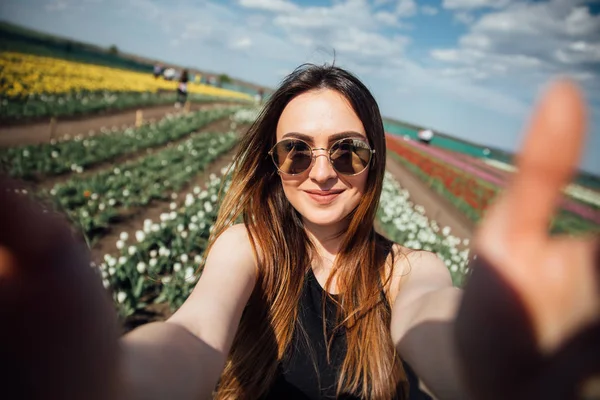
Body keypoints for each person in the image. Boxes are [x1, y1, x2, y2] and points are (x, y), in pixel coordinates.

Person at [0, 64, 598, 400]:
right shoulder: (249, 249)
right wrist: (115, 380)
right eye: (296, 151)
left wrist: (474, 368)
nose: (320, 172)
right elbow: (194, 336)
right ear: (272, 162)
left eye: (347, 152)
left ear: (375, 160)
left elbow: (429, 319)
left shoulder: (410, 271)